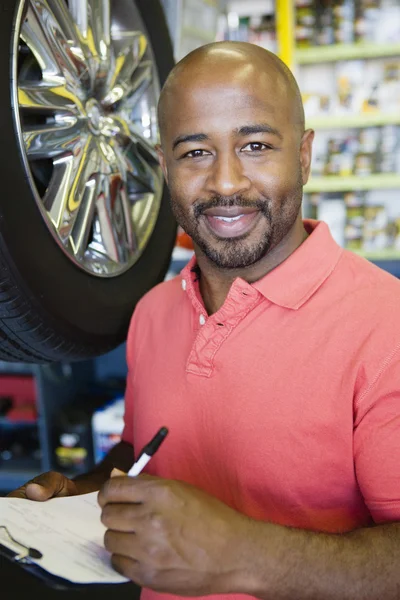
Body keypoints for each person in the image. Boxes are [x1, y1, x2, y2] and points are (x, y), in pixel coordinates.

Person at [9, 41, 400, 600]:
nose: (224, 183)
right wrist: (85, 489)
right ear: (165, 167)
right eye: (195, 153)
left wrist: (241, 555)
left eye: (257, 145)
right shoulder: (154, 312)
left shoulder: (387, 326)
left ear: (306, 155)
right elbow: (143, 451)